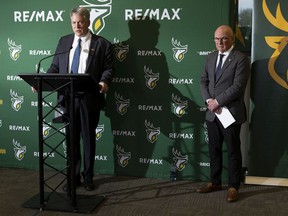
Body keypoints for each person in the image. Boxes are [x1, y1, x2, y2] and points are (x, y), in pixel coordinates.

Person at [47, 7, 114, 191]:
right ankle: (73, 177)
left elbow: (108, 68)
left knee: (88, 139)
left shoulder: (102, 44)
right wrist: (43, 80)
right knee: (71, 140)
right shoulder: (64, 41)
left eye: (80, 22)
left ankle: (88, 177)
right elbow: (55, 67)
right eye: (74, 23)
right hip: (67, 98)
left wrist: (104, 81)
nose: (77, 26)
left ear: (88, 21)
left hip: (89, 98)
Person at [197, 25, 250, 202]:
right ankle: (215, 182)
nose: (220, 42)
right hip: (212, 113)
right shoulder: (211, 57)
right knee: (214, 149)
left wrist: (217, 102)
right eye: (217, 39)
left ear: (232, 39)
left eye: (224, 38)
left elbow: (237, 87)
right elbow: (203, 81)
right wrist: (208, 101)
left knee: (233, 151)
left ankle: (234, 186)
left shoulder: (241, 59)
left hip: (230, 113)